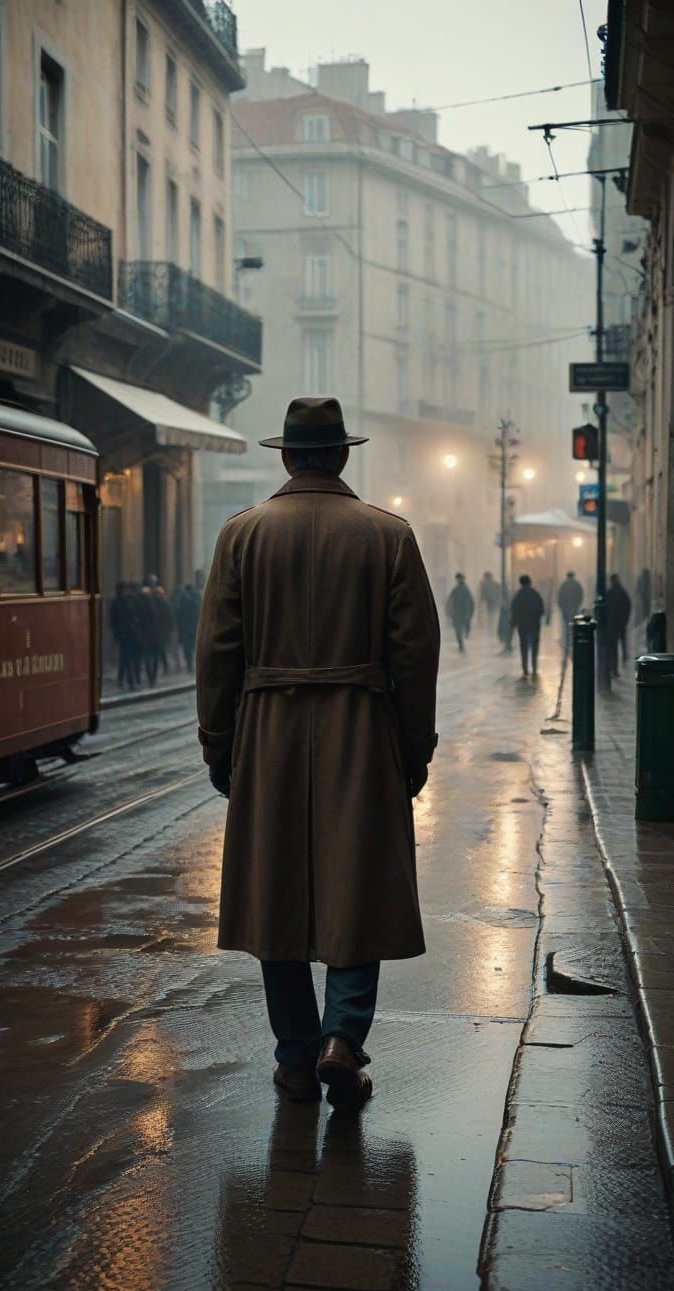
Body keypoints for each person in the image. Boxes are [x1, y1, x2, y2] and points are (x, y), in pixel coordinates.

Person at [196, 396, 440, 1110]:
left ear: (284, 457)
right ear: (341, 455)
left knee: (275, 891)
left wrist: (219, 741)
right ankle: (343, 1037)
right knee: (358, 883)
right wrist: (413, 748)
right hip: (361, 726)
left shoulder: (241, 535)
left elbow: (216, 651)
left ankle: (297, 1057)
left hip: (268, 728)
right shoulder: (387, 535)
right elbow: (415, 654)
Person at [510, 573, 545, 678]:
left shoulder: (518, 595)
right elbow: (541, 609)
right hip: (534, 624)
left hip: (523, 625)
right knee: (534, 646)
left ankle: (525, 669)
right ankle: (534, 668)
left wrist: (515, 622)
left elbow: (514, 610)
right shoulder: (535, 594)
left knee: (523, 646)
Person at [109, 581, 141, 691]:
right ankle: (131, 682)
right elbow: (114, 621)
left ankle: (120, 679)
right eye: (124, 589)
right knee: (128, 659)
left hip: (130, 634)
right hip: (124, 635)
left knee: (124, 659)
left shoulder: (129, 600)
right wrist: (117, 633)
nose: (126, 591)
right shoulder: (117, 602)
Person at [606, 573, 632, 675]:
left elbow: (607, 608)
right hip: (620, 622)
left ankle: (613, 668)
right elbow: (628, 605)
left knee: (613, 646)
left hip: (613, 623)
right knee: (621, 642)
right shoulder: (622, 591)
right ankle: (623, 660)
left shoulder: (610, 592)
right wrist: (625, 619)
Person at [446, 573, 474, 653]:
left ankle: (462, 641)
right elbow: (449, 601)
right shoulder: (455, 590)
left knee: (463, 628)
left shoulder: (465, 589)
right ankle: (461, 644)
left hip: (464, 613)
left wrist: (470, 612)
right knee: (458, 630)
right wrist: (449, 612)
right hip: (457, 613)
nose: (459, 580)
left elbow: (471, 602)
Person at [176, 582, 201, 672]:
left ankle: (189, 666)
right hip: (195, 627)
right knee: (194, 648)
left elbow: (178, 613)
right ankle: (194, 666)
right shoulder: (197, 598)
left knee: (187, 649)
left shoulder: (183, 599)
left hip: (186, 627)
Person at [557, 570, 584, 653]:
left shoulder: (564, 585)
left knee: (566, 626)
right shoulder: (577, 585)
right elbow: (580, 595)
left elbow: (560, 598)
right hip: (574, 608)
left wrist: (562, 608)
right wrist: (577, 605)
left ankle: (567, 643)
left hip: (566, 609)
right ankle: (573, 641)